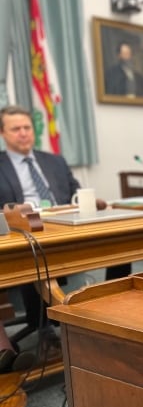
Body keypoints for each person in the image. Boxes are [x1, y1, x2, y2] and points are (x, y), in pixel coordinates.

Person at [0, 105, 131, 362]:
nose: (24, 133)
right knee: (33, 258)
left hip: (63, 227)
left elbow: (76, 192)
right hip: (19, 234)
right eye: (16, 129)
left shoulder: (54, 161)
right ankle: (44, 329)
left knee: (121, 241)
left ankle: (112, 314)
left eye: (27, 128)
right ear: (3, 133)